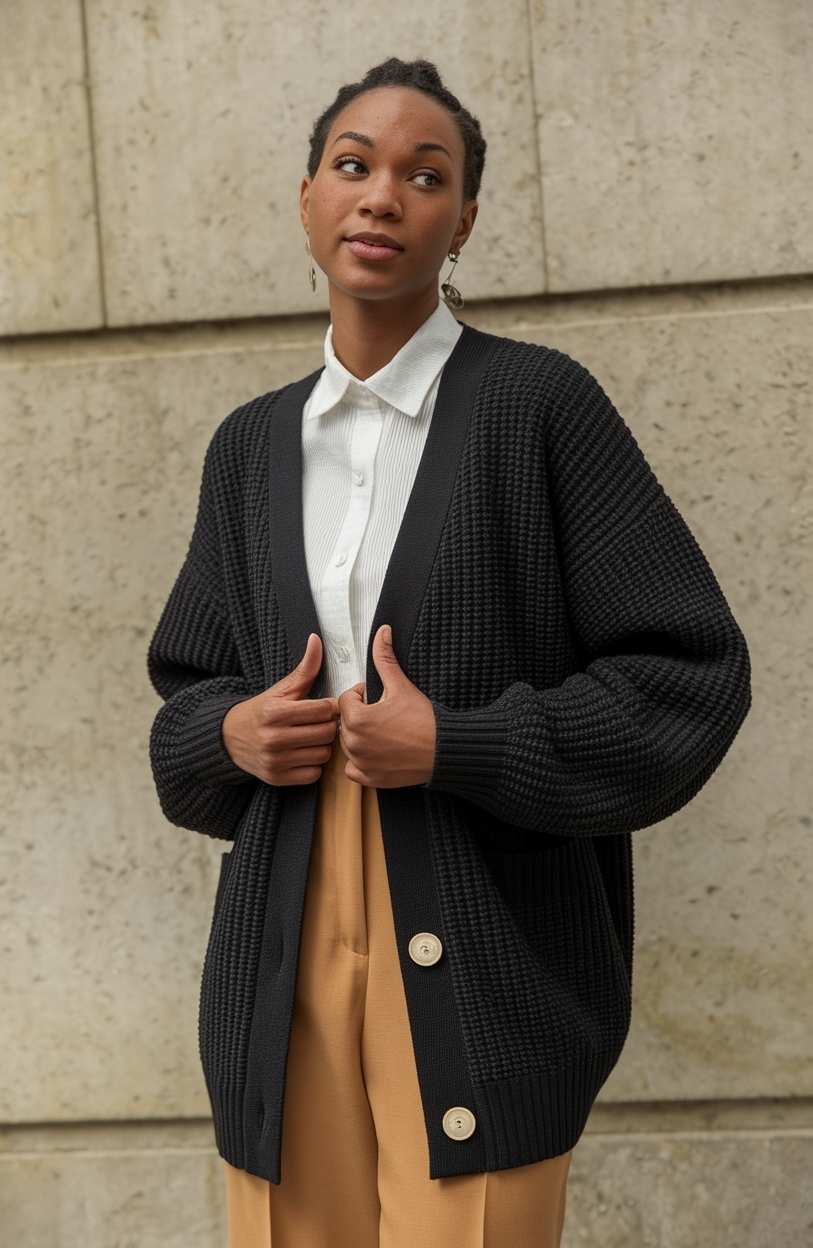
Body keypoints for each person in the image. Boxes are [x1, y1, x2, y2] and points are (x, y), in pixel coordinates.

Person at [148, 58, 751, 1248]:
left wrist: (460, 743)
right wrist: (230, 733)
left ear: (462, 221)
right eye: (353, 166)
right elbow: (186, 701)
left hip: (487, 960)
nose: (382, 197)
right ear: (308, 198)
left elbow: (688, 678)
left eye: (426, 177)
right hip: (281, 952)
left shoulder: (538, 408)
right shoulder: (250, 450)